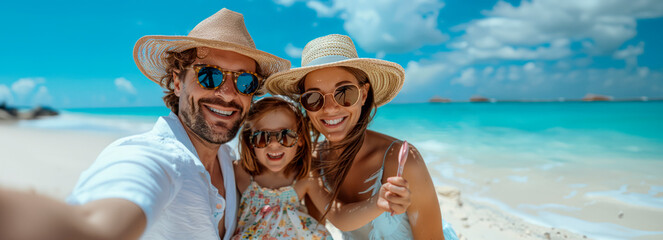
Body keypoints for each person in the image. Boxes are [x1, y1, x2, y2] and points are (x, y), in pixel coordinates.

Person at [0, 8, 290, 240]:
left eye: (245, 81)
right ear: (177, 81)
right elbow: (95, 224)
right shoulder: (154, 157)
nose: (228, 93)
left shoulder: (228, 160)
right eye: (210, 76)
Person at [266, 34, 458, 240]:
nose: (330, 109)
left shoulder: (401, 159)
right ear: (305, 105)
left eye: (344, 93)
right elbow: (316, 233)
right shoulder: (313, 162)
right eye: (313, 97)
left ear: (364, 95)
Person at [231, 97, 411, 239]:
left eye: (285, 136)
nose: (274, 145)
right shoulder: (240, 173)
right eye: (262, 137)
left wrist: (377, 203)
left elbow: (339, 216)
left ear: (300, 140)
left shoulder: (304, 177)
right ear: (249, 140)